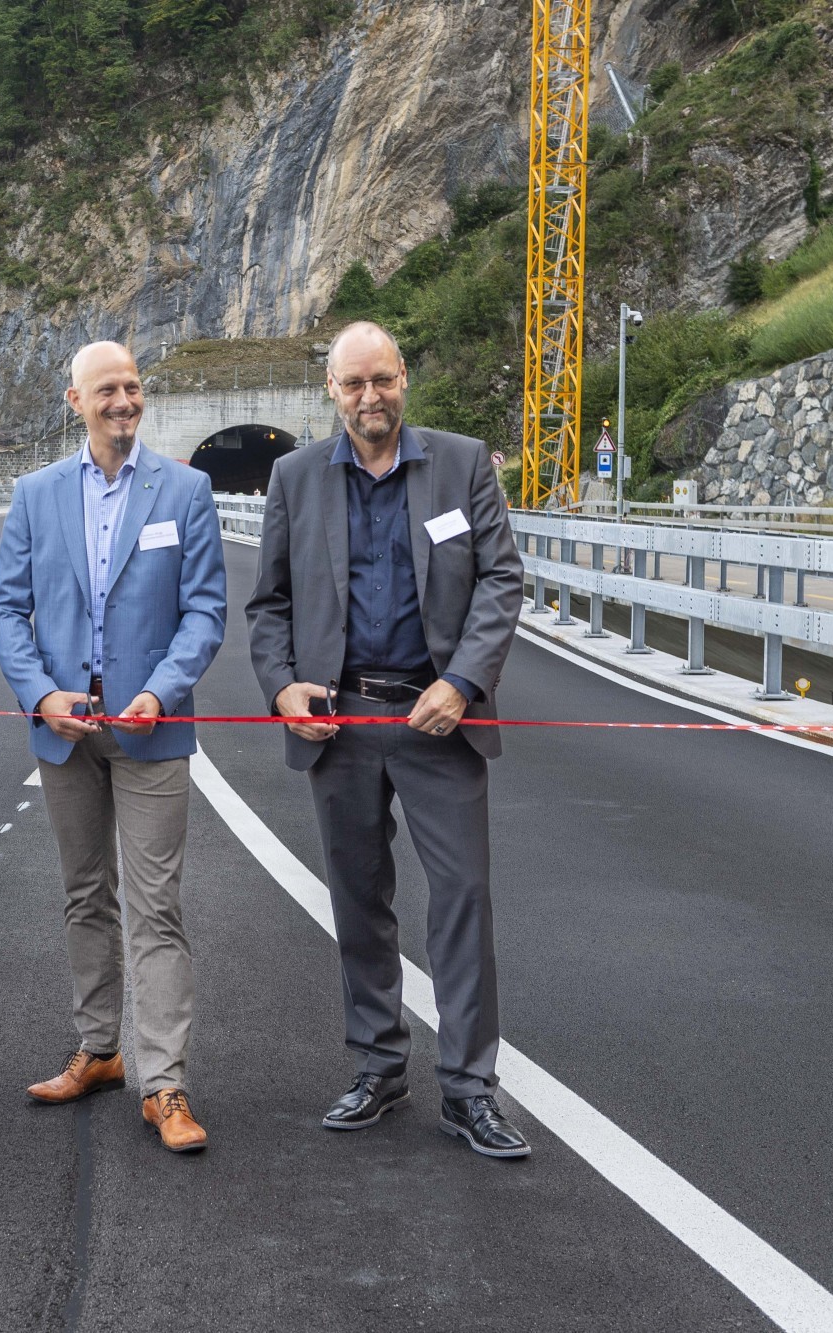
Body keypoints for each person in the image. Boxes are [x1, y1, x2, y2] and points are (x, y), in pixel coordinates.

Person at [244, 320, 532, 1158]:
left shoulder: (460, 462)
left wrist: (464, 680)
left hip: (437, 717)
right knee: (358, 901)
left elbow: (501, 578)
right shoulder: (294, 477)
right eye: (353, 385)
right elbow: (269, 604)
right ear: (330, 391)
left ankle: (470, 1088)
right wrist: (282, 683)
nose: (370, 397)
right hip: (340, 722)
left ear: (405, 377)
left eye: (383, 380)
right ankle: (377, 1064)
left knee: (462, 901)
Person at [0, 341, 227, 1154]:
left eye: (133, 387)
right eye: (107, 390)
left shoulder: (187, 490)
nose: (124, 401)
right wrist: (41, 695)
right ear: (74, 399)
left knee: (155, 906)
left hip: (151, 730)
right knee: (85, 895)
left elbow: (204, 611)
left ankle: (166, 1084)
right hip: (66, 734)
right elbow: (5, 610)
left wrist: (159, 691)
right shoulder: (35, 495)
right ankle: (99, 1049)